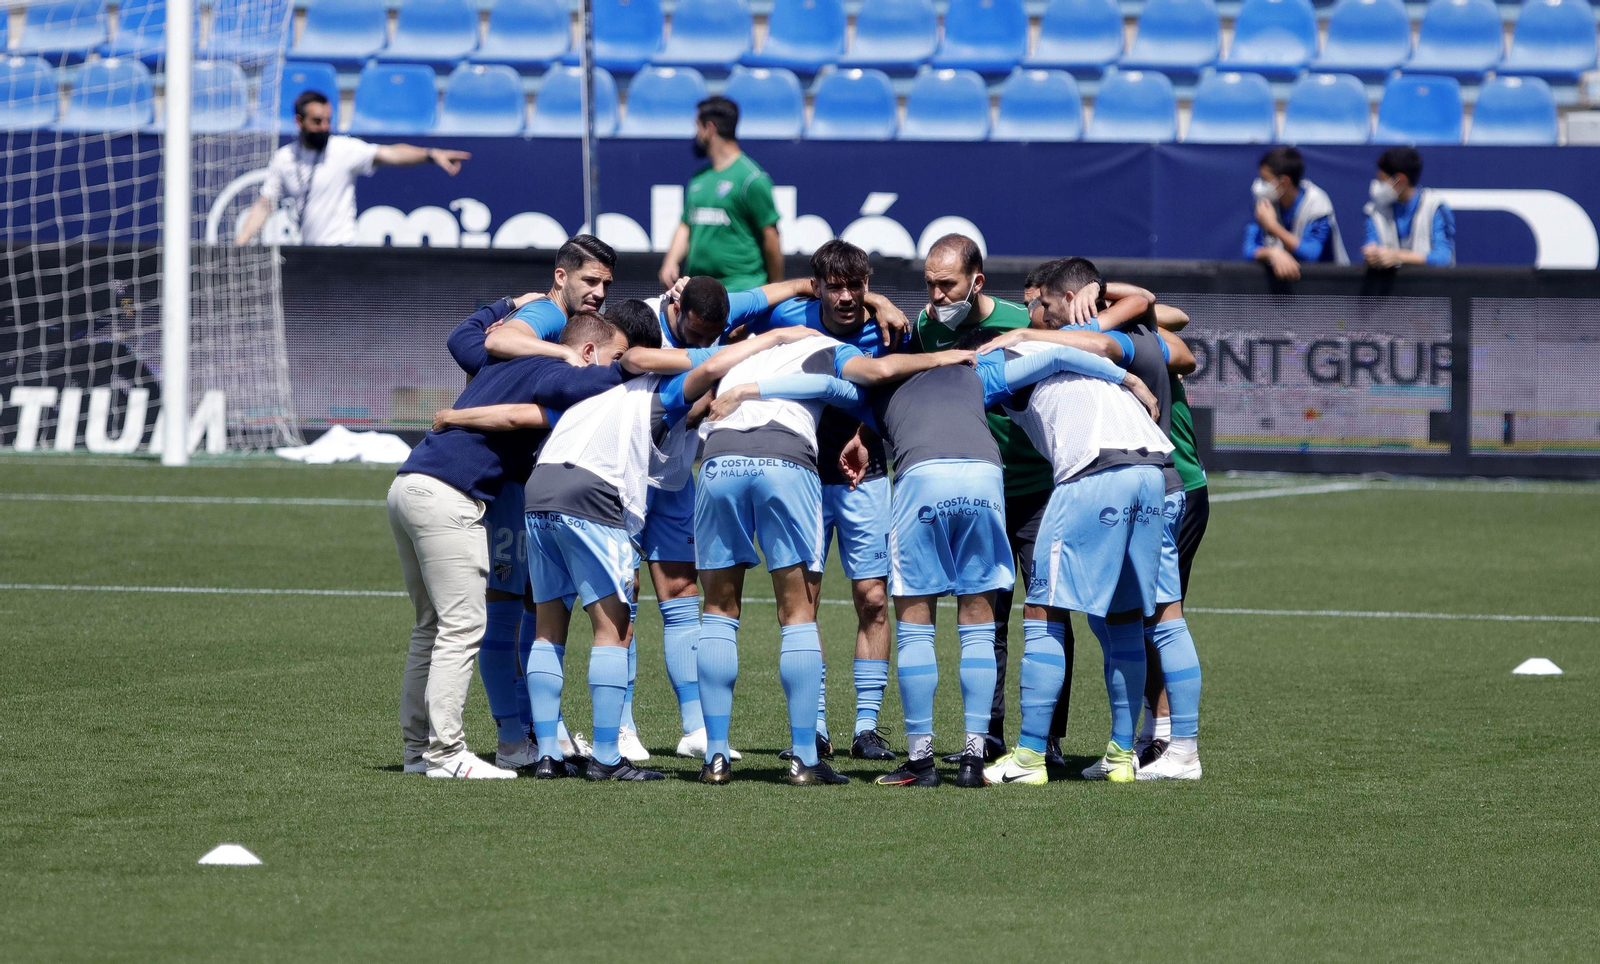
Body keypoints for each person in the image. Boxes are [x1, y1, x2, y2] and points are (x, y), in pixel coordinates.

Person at [717, 329, 1154, 789]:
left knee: (915, 623)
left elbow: (820, 386)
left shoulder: (875, 386)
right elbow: (1059, 355)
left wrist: (748, 389)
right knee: (979, 621)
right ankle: (971, 757)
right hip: (984, 478)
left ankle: (921, 761)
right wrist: (1131, 380)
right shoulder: (974, 370)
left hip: (922, 479)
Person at [511, 323, 825, 781]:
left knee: (547, 628)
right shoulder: (662, 389)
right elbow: (714, 366)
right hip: (592, 493)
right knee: (613, 630)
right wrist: (768, 341)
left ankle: (546, 755)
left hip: (539, 491)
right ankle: (605, 756)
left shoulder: (593, 389)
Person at [682, 331, 974, 785]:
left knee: (718, 611)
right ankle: (805, 758)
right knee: (798, 613)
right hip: (784, 458)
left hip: (719, 460)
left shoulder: (743, 351)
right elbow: (866, 379)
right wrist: (943, 357)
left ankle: (714, 758)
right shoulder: (829, 351)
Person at [388, 311, 637, 780]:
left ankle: (417, 752)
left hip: (409, 484)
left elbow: (464, 338)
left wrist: (501, 305)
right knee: (463, 626)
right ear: (587, 352)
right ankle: (446, 754)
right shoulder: (558, 371)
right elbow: (544, 403)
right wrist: (635, 369)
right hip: (449, 495)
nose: (616, 366)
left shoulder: (505, 363)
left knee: (431, 627)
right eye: (613, 357)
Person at [979, 257, 1173, 787]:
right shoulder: (1075, 341)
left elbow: (990, 379)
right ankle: (1118, 755)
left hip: (1093, 472)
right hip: (1151, 471)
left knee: (1042, 610)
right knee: (1123, 617)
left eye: (1037, 301)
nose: (1032, 308)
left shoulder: (1012, 348)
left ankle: (1028, 758)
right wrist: (1127, 375)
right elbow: (1158, 319)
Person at [1014, 267, 1207, 781]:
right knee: (1139, 617)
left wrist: (1023, 336)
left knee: (1142, 617)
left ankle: (1162, 739)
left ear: (1071, 300)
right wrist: (1113, 297)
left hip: (1141, 476)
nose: (1035, 314)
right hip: (1164, 477)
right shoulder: (1142, 331)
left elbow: (1076, 342)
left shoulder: (1109, 341)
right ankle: (1155, 743)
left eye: (1041, 304)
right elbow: (1175, 332)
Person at [742, 240, 908, 763]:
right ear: (815, 287)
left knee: (874, 599)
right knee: (803, 601)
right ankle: (811, 725)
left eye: (855, 286)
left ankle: (866, 727)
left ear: (867, 283)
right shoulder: (791, 312)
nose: (844, 297)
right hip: (802, 472)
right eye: (832, 286)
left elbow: (888, 391)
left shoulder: (888, 328)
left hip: (868, 473)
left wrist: (863, 430)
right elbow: (732, 304)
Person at [912, 233, 1055, 763]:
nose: (937, 296)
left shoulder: (1024, 322)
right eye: (929, 284)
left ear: (977, 282)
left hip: (1038, 490)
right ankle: (987, 738)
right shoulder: (925, 328)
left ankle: (1047, 741)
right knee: (984, 620)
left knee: (1046, 613)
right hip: (979, 496)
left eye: (947, 285)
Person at [237, 90, 471, 247]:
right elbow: (264, 205)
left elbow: (391, 154)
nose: (325, 127)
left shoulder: (343, 149)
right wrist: (241, 242)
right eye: (317, 121)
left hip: (343, 247)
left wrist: (431, 155)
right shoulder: (284, 158)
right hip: (310, 250)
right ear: (299, 121)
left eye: (328, 120)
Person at [658, 96, 783, 293]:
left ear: (709, 128)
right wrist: (670, 261)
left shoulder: (751, 179)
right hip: (698, 289)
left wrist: (774, 289)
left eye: (698, 127)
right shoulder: (699, 177)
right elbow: (686, 224)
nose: (696, 135)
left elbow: (771, 237)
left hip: (741, 289)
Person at [1242, 146, 1349, 280]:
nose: (1259, 186)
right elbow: (1249, 249)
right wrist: (1272, 253)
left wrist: (1273, 227)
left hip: (1330, 285)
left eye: (1265, 180)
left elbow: (1311, 254)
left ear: (1284, 181)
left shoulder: (1317, 204)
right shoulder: (1264, 202)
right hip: (1286, 285)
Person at [1362, 146, 1457, 269]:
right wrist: (1372, 253)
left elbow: (1443, 258)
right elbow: (1371, 242)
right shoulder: (1374, 210)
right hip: (1389, 285)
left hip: (1429, 284)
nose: (1377, 186)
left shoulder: (1434, 207)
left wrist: (1398, 256)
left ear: (1401, 180)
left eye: (1382, 180)